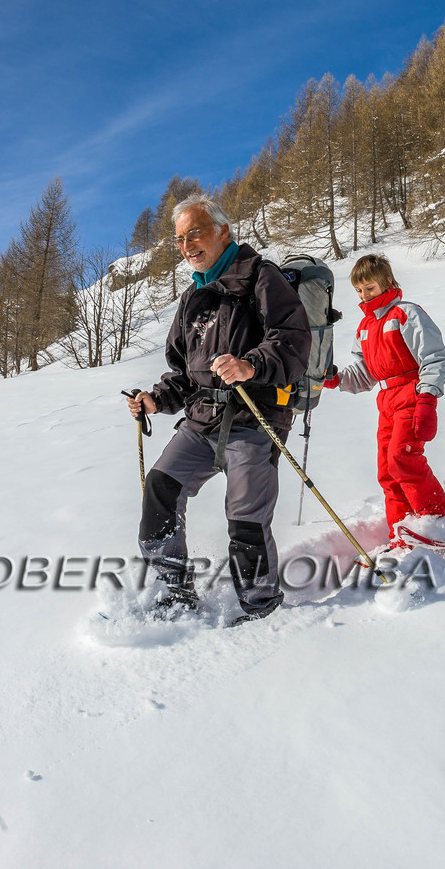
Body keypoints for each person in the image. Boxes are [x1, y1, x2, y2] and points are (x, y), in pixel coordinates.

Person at [126, 196, 311, 623]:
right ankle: (174, 592)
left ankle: (260, 606)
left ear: (222, 231)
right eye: (179, 239)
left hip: (254, 419)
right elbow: (185, 373)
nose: (187, 244)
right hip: (200, 421)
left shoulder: (261, 278)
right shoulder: (194, 296)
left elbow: (295, 342)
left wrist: (251, 365)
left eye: (195, 232)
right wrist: (157, 398)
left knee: (245, 519)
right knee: (159, 491)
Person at [325, 254, 445, 551]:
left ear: (387, 282)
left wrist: (428, 399)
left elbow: (433, 356)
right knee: (386, 469)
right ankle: (402, 533)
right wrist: (337, 379)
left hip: (412, 393)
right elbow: (365, 374)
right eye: (358, 290)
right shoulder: (365, 327)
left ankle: (436, 522)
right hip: (386, 401)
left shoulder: (406, 314)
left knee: (402, 458)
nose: (364, 295)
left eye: (369, 287)